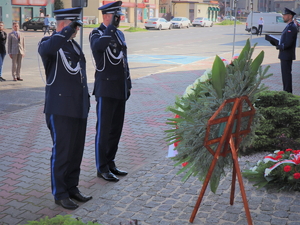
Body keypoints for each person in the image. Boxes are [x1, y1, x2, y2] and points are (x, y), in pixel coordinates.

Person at [38, 7, 92, 210]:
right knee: (62, 152)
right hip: (60, 108)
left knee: (76, 151)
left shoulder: (74, 46)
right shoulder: (49, 43)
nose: (76, 29)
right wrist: (66, 30)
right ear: (63, 24)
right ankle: (59, 193)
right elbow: (48, 49)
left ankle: (72, 188)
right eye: (73, 24)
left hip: (78, 107)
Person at [89, 1, 131, 182]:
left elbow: (124, 61)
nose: (119, 19)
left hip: (120, 88)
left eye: (119, 16)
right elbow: (99, 48)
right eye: (117, 16)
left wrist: (128, 83)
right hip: (106, 89)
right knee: (104, 130)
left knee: (116, 129)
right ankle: (102, 167)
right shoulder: (97, 33)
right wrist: (110, 28)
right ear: (107, 16)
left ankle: (110, 161)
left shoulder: (120, 34)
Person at [276, 8, 298, 93]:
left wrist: (280, 46)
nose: (283, 17)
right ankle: (286, 91)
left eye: (285, 15)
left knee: (286, 75)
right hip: (285, 54)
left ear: (290, 16)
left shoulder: (292, 27)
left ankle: (287, 93)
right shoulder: (289, 26)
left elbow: (288, 43)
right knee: (285, 75)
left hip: (287, 54)